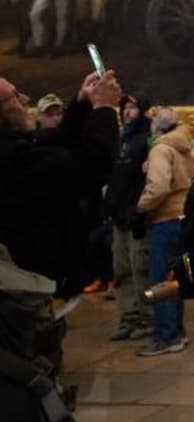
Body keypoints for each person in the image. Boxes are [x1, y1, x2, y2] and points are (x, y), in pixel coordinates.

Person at [0, 71, 121, 299]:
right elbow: (90, 167)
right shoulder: (11, 158)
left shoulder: (14, 146)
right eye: (15, 96)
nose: (25, 99)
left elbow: (52, 141)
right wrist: (104, 109)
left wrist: (81, 105)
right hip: (23, 289)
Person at [135, 106, 194, 357]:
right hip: (183, 215)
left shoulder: (161, 148)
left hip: (165, 218)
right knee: (175, 278)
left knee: (160, 279)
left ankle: (166, 336)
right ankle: (177, 331)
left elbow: (159, 187)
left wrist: (140, 207)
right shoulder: (183, 144)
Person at [105, 95, 152, 342]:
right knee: (121, 269)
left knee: (140, 267)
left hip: (138, 216)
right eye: (124, 107)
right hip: (118, 213)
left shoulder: (148, 139)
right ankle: (128, 316)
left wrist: (141, 207)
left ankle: (147, 316)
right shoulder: (120, 138)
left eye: (133, 107)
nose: (127, 112)